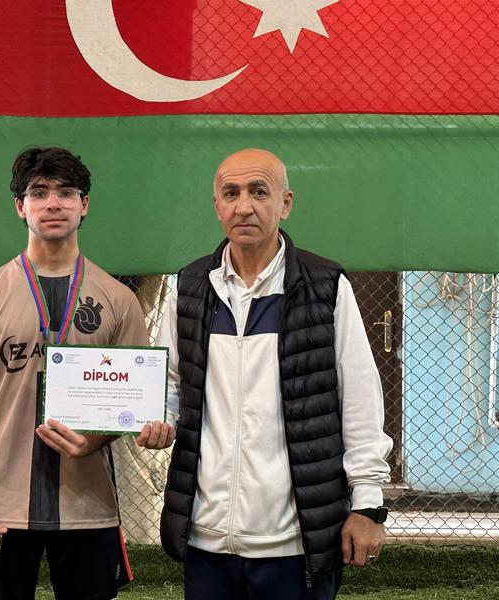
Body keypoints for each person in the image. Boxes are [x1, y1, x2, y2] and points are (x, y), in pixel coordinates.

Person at [0, 146, 174, 600]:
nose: (53, 203)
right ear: (20, 206)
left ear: (84, 204)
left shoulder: (118, 301)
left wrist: (97, 439)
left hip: (90, 507)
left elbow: (131, 403)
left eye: (66, 192)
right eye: (39, 192)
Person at [157, 148, 392, 599]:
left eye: (258, 192)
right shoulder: (189, 287)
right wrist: (158, 421)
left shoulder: (326, 287)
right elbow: (169, 383)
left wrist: (368, 503)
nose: (244, 206)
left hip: (294, 543)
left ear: (285, 203)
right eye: (231, 193)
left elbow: (360, 398)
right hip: (206, 540)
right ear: (217, 206)